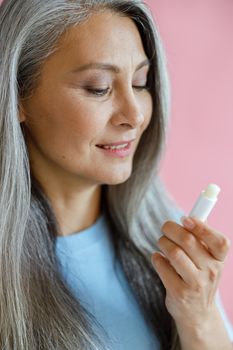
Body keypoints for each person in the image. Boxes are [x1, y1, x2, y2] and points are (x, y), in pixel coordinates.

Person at [0, 0, 232, 349]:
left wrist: (198, 318)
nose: (135, 115)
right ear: (17, 94)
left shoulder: (169, 245)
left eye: (140, 83)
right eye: (99, 88)